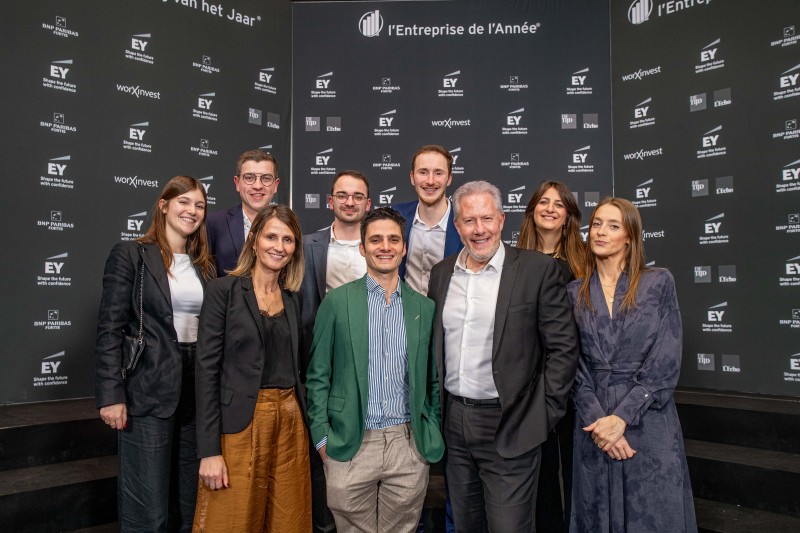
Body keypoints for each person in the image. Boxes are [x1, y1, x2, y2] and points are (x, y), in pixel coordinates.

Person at [428, 181, 579, 532]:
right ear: (457, 225)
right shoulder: (441, 273)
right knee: (466, 525)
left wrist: (541, 415)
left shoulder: (537, 270)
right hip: (454, 423)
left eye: (487, 218)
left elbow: (563, 348)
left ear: (501, 219)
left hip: (511, 423)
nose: (479, 229)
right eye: (469, 220)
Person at [306, 207, 445, 533]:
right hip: (350, 442)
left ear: (404, 248)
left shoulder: (424, 308)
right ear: (362, 247)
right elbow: (317, 375)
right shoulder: (337, 302)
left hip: (407, 443)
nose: (385, 246)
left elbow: (432, 379)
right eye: (376, 240)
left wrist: (429, 428)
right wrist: (323, 439)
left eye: (393, 240)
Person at [567, 197, 696, 532]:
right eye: (596, 224)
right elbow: (572, 365)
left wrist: (621, 418)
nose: (600, 232)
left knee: (653, 514)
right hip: (594, 425)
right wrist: (600, 423)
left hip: (648, 421)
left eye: (613, 226)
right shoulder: (574, 292)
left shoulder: (658, 282)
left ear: (630, 237)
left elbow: (665, 360)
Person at [95, 175, 215, 532]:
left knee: (188, 502)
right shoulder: (131, 254)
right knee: (147, 508)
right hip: (147, 387)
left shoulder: (204, 265)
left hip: (195, 390)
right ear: (163, 205)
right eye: (184, 202)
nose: (192, 211)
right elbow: (110, 328)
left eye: (199, 205)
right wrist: (111, 395)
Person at [194, 205, 311, 531]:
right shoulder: (223, 291)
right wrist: (209, 451)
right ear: (254, 239)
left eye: (288, 240)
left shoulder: (294, 299)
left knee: (288, 521)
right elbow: (206, 372)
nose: (279, 246)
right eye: (271, 236)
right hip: (239, 425)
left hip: (290, 423)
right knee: (231, 520)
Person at [301, 170, 372, 533]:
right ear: (330, 201)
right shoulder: (308, 245)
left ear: (368, 204)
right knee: (326, 467)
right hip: (324, 362)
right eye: (342, 195)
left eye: (357, 196)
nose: (349, 202)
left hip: (373, 360)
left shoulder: (380, 243)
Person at [517, 180, 586, 532]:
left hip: (575, 379)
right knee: (540, 470)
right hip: (528, 382)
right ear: (532, 211)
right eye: (543, 202)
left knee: (575, 467)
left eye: (559, 204)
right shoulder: (513, 260)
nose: (550, 209)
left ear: (568, 215)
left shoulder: (585, 260)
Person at [394, 144, 462, 296]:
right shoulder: (396, 216)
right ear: (412, 177)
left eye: (438, 173)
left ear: (449, 179)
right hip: (405, 308)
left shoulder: (465, 223)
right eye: (423, 172)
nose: (430, 181)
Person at [206, 149, 280, 275]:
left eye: (266, 178)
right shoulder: (213, 223)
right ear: (237, 183)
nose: (258, 186)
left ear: (275, 185)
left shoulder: (286, 227)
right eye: (249, 178)